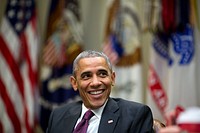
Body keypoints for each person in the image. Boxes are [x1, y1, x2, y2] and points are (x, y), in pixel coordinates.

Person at [46, 50, 154, 133]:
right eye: (86, 76)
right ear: (74, 83)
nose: (95, 82)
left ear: (112, 78)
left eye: (102, 74)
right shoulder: (58, 115)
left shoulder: (135, 115)